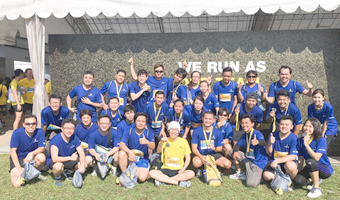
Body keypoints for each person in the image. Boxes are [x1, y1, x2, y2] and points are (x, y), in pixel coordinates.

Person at [295, 118, 333, 198]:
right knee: (298, 181)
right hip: (310, 166)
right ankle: (312, 179)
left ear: (315, 128)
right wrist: (299, 172)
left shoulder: (321, 139)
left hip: (324, 169)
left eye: (310, 126)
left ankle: (316, 188)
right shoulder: (300, 140)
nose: (307, 128)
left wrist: (306, 144)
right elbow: (300, 160)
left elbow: (316, 158)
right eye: (306, 126)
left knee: (310, 161)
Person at [149, 121, 194, 187]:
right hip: (165, 169)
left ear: (178, 131)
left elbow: (188, 158)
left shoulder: (183, 141)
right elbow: (158, 151)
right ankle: (177, 182)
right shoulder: (164, 140)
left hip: (178, 170)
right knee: (152, 172)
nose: (173, 132)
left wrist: (184, 168)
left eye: (176, 130)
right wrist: (161, 142)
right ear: (168, 130)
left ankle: (164, 180)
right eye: (172, 129)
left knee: (191, 173)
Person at [229, 114, 267, 188]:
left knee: (251, 184)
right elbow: (237, 146)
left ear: (252, 124)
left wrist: (258, 142)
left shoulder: (257, 133)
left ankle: (259, 176)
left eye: (246, 123)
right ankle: (241, 172)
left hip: (257, 163)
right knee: (231, 152)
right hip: (248, 158)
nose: (244, 125)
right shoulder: (245, 135)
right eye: (242, 123)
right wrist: (235, 152)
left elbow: (263, 142)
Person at [9, 114, 46, 187]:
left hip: (31, 158)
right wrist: (19, 169)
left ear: (37, 124)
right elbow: (12, 151)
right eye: (28, 124)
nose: (31, 126)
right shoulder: (17, 133)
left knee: (41, 157)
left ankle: (33, 173)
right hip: (19, 158)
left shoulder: (40, 132)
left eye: (33, 123)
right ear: (24, 125)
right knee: (17, 184)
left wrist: (31, 153)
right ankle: (25, 172)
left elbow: (42, 148)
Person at [47, 118, 86, 186]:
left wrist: (82, 166)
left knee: (83, 164)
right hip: (57, 161)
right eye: (67, 128)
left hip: (69, 160)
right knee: (58, 167)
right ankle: (58, 177)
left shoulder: (75, 137)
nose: (69, 131)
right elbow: (55, 158)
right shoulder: (55, 140)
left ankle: (70, 172)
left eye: (72, 129)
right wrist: (70, 158)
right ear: (62, 129)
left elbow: (82, 153)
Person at [263, 115, 299, 188]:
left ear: (291, 127)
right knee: (266, 176)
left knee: (291, 166)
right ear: (279, 125)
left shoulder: (294, 138)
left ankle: (291, 182)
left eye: (287, 125)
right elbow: (268, 152)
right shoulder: (273, 135)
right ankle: (283, 180)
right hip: (274, 163)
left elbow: (293, 156)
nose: (284, 126)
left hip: (286, 163)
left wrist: (277, 161)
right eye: (282, 124)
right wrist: (270, 143)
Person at [191, 111, 231, 177]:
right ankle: (200, 168)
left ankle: (210, 164)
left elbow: (220, 148)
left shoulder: (218, 132)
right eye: (206, 118)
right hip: (200, 154)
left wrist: (214, 149)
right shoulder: (196, 131)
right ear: (203, 118)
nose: (207, 121)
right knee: (196, 163)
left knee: (227, 164)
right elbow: (194, 148)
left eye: (210, 119)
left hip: (213, 154)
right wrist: (201, 157)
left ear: (213, 120)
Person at [119, 112, 155, 182]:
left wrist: (147, 142)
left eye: (143, 121)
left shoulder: (149, 133)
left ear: (145, 123)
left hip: (143, 159)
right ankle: (126, 175)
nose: (140, 123)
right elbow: (121, 145)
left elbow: (153, 147)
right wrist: (129, 152)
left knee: (142, 178)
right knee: (121, 153)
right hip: (131, 157)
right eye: (138, 121)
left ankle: (136, 170)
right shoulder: (128, 131)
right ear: (134, 121)